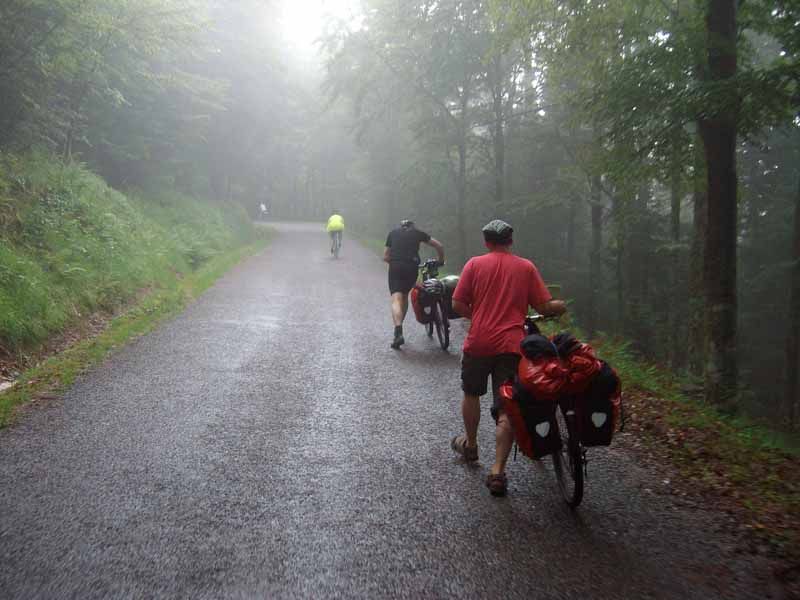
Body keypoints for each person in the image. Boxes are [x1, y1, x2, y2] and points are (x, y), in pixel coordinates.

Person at [450, 219, 566, 497]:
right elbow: (543, 306)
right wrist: (559, 306)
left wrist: (478, 316)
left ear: (486, 241)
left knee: (471, 393)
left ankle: (471, 445)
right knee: (507, 406)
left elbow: (457, 303)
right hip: (512, 347)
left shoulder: (474, 265)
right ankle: (498, 471)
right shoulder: (525, 267)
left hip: (478, 342)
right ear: (510, 241)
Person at [383, 219, 445, 349]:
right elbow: (439, 245)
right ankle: (399, 329)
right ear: (412, 226)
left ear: (401, 226)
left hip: (396, 267)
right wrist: (440, 261)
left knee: (396, 298)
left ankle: (398, 331)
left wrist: (395, 262)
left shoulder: (392, 233)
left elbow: (386, 256)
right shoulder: (417, 233)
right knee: (405, 296)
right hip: (412, 267)